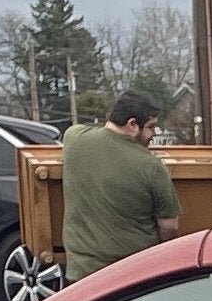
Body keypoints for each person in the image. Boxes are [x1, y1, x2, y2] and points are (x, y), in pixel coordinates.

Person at [55, 89, 180, 285]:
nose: (153, 134)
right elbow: (169, 227)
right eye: (150, 127)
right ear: (132, 124)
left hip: (80, 277)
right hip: (132, 278)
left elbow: (79, 130)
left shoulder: (73, 139)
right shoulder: (151, 167)